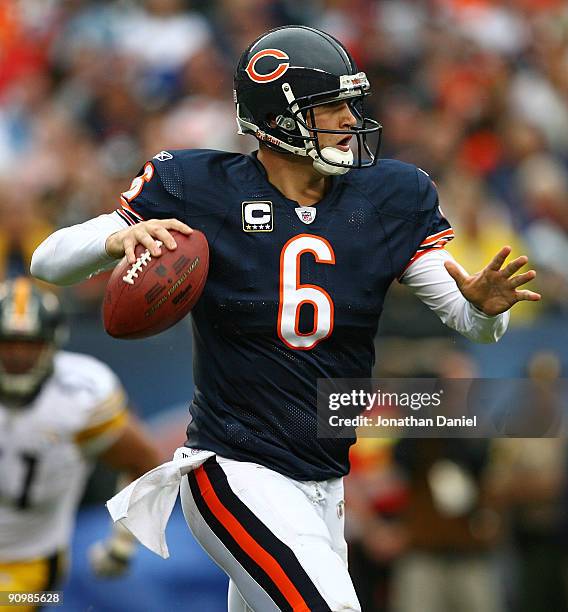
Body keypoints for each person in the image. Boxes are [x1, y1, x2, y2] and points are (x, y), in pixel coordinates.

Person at [30, 25, 540, 612]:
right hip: (234, 467)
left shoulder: (389, 196)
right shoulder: (198, 187)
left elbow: (469, 318)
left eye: (352, 103)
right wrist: (121, 238)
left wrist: (483, 306)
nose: (351, 119)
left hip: (326, 481)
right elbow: (48, 261)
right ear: (279, 117)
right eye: (331, 107)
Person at [0, 277, 160, 611]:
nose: (16, 356)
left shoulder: (79, 399)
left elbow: (143, 461)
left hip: (28, 563)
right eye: (8, 343)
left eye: (28, 345)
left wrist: (123, 542)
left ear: (52, 342)